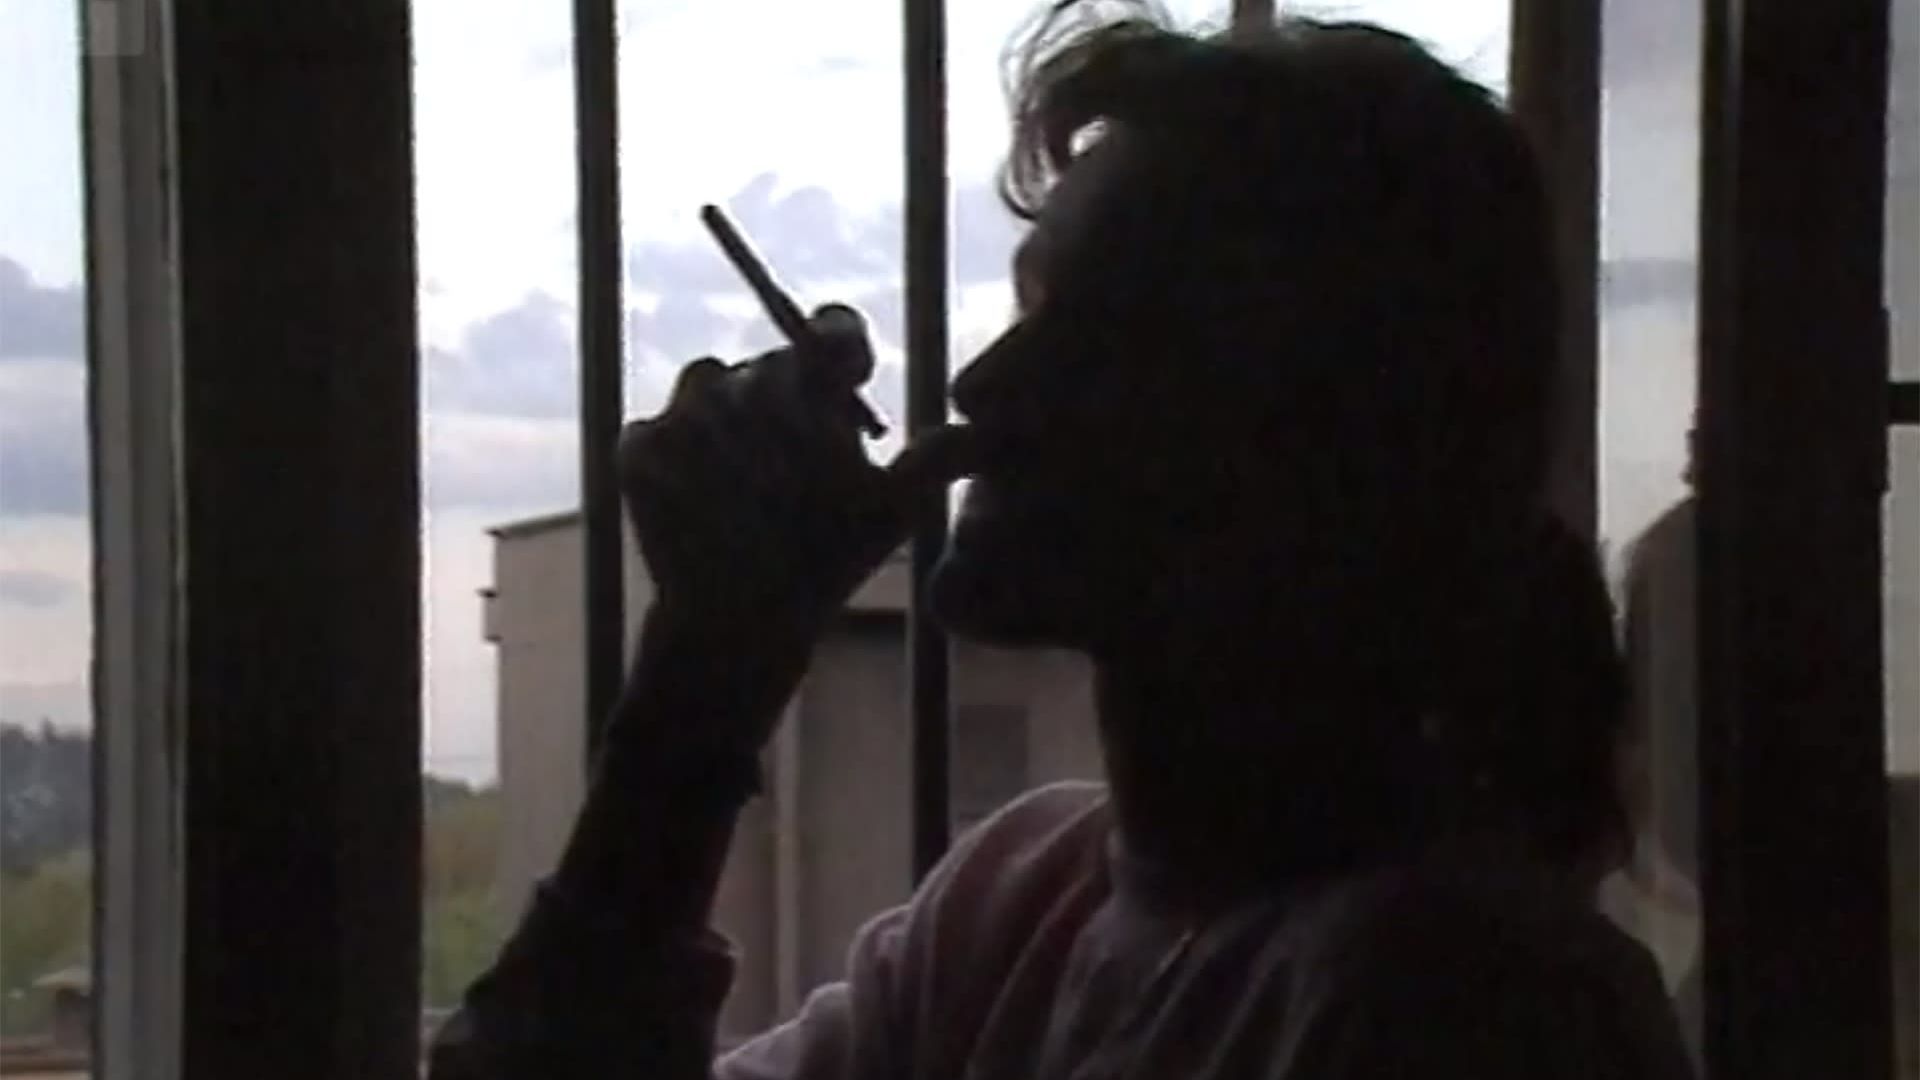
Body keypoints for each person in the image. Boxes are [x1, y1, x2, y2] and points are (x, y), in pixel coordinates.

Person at [430, 5, 1695, 1076]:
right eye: (1035, 305)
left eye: (1115, 333)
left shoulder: (1463, 1005)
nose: (984, 384)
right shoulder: (1020, 902)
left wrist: (695, 701)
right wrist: (703, 678)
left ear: (1335, 428)